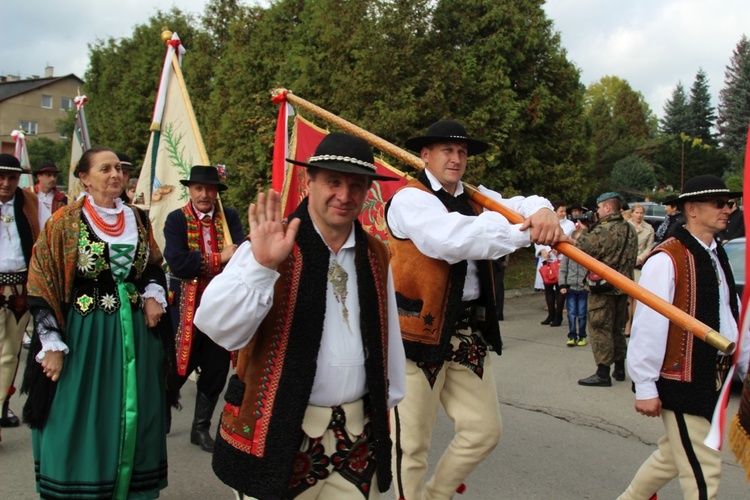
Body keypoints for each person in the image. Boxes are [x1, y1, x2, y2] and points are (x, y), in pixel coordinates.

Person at [193, 132, 406, 499]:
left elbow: (388, 337)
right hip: (274, 435)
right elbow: (217, 327)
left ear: (369, 190)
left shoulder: (375, 253)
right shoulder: (271, 242)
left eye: (356, 185)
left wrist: (389, 399)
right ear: (309, 181)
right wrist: (261, 267)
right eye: (333, 182)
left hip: (353, 438)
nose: (344, 195)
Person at [386, 120, 562, 500]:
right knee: (410, 444)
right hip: (415, 335)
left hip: (465, 332)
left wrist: (543, 210)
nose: (456, 158)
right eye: (447, 150)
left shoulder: (478, 197)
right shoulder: (409, 199)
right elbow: (450, 239)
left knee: (484, 431)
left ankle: (437, 494)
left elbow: (519, 205)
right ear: (426, 155)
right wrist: (525, 233)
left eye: (462, 152)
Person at [20, 146, 173, 498]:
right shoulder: (65, 221)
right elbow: (41, 280)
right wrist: (51, 343)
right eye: (105, 168)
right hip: (86, 333)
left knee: (137, 411)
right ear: (85, 178)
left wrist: (152, 293)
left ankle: (130, 488)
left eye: (119, 168)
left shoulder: (138, 218)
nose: (115, 174)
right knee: (79, 413)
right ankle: (82, 487)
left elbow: (151, 263)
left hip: (135, 333)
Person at [619, 175, 750, 499]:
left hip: (708, 380)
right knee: (704, 472)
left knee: (671, 457)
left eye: (729, 203)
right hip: (680, 382)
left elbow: (730, 317)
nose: (728, 209)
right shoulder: (667, 259)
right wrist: (646, 385)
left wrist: (745, 363)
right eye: (719, 203)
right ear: (692, 208)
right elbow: (648, 327)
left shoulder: (715, 253)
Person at [163, 165, 243, 452]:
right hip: (187, 309)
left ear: (217, 193)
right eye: (199, 188)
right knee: (177, 367)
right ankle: (163, 409)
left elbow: (241, 257)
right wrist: (219, 258)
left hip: (221, 310)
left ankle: (200, 429)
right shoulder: (176, 220)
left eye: (210, 189)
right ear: (190, 190)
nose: (204, 194)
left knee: (215, 370)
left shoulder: (228, 218)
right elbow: (178, 263)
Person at [0, 154, 48, 442]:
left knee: (10, 354)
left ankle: (1, 407)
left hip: (20, 285)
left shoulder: (31, 202)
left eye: (12, 178)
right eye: (1, 177)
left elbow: (41, 242)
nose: (6, 183)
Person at [576, 192, 637, 387]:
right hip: (622, 288)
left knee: (599, 329)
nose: (598, 212)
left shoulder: (603, 230)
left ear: (608, 208)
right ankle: (619, 368)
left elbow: (581, 248)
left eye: (600, 208)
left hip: (602, 290)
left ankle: (603, 372)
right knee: (617, 329)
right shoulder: (629, 230)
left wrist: (585, 229)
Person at [539, 201, 576, 327]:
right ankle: (551, 313)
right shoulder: (545, 221)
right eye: (561, 211)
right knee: (548, 287)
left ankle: (558, 315)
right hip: (548, 259)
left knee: (560, 287)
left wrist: (558, 247)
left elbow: (567, 239)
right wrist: (543, 250)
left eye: (565, 211)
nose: (563, 214)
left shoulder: (569, 224)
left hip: (561, 259)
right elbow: (538, 237)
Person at [559, 224, 590, 347]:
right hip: (571, 288)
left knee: (582, 314)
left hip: (583, 288)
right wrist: (562, 285)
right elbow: (563, 270)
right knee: (571, 313)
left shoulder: (588, 255)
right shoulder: (568, 254)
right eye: (576, 240)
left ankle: (582, 336)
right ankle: (572, 335)